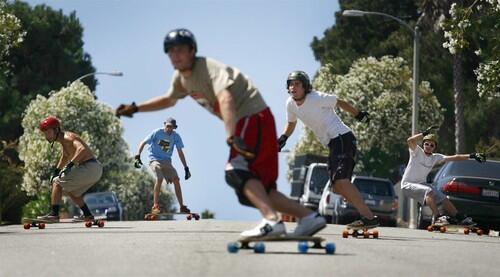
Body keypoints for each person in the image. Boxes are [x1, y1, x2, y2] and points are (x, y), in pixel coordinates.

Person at [115, 28, 326, 238]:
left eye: (180, 50)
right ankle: (308, 217)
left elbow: (226, 98)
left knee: (236, 171)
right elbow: (169, 99)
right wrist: (136, 108)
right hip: (256, 122)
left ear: (192, 51)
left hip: (251, 117)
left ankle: (272, 221)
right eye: (170, 51)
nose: (175, 56)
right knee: (257, 188)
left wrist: (231, 136)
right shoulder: (180, 79)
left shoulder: (208, 68)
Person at [277, 70, 379, 229]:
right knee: (336, 187)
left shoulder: (316, 98)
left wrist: (358, 114)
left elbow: (339, 102)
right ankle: (364, 214)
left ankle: (369, 218)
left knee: (341, 181)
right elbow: (291, 123)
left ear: (305, 87)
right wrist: (283, 138)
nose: (293, 87)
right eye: (290, 84)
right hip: (332, 144)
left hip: (342, 138)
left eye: (297, 84)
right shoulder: (290, 104)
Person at [401, 126, 485, 225]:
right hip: (407, 184)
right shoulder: (417, 152)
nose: (428, 146)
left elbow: (455, 157)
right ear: (423, 145)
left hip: (421, 184)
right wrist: (423, 133)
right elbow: (410, 140)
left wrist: (472, 156)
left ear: (434, 148)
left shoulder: (436, 157)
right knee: (428, 191)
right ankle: (437, 217)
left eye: (431, 145)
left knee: (443, 197)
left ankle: (459, 217)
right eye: (426, 144)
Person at [37, 116, 103, 222]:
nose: (46, 135)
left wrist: (71, 164)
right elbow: (65, 156)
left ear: (56, 130)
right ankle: (87, 215)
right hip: (94, 169)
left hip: (90, 166)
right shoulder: (63, 141)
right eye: (45, 133)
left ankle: (54, 214)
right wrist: (56, 171)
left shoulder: (68, 137)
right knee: (72, 191)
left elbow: (81, 149)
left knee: (57, 182)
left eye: (48, 132)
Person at [135, 117, 192, 214]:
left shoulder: (176, 136)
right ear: (164, 125)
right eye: (168, 126)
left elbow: (180, 152)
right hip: (154, 160)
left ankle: (182, 206)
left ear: (174, 127)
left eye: (172, 127)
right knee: (160, 178)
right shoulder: (157, 132)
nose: (169, 129)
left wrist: (186, 167)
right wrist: (137, 156)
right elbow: (143, 142)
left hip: (167, 162)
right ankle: (155, 206)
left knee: (176, 180)